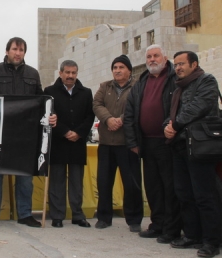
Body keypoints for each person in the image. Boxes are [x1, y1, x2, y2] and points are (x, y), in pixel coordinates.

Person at [0, 37, 56, 229]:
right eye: (14, 49)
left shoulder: (32, 74)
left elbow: (40, 101)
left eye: (21, 50)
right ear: (7, 51)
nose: (18, 53)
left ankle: (25, 214)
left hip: (25, 134)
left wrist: (50, 115)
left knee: (25, 177)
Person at [164, 51, 222, 258]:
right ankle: (192, 235)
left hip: (200, 146)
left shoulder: (206, 81)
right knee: (184, 194)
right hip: (180, 145)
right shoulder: (178, 87)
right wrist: (166, 127)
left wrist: (175, 125)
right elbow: (170, 114)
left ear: (194, 64)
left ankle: (211, 241)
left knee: (204, 195)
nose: (178, 68)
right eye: (176, 64)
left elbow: (198, 107)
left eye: (182, 64)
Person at [124, 45, 181, 243]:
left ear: (165, 58)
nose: (152, 59)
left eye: (156, 55)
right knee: (153, 187)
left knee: (169, 187)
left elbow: (180, 108)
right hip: (146, 144)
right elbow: (129, 114)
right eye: (149, 56)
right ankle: (157, 224)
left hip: (168, 143)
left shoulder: (174, 80)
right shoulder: (141, 83)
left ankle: (171, 229)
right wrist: (133, 142)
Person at [92, 54, 143, 232]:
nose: (118, 70)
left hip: (127, 143)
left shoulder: (137, 87)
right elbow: (97, 104)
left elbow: (138, 106)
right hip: (106, 143)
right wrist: (108, 119)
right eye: (115, 67)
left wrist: (121, 119)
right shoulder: (104, 86)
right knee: (104, 182)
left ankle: (134, 219)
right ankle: (104, 218)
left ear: (129, 70)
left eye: (121, 67)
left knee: (131, 183)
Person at [44, 60, 94, 228]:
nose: (70, 76)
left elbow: (90, 116)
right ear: (60, 73)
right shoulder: (50, 92)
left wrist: (78, 133)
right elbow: (49, 115)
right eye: (67, 72)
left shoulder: (86, 93)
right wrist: (65, 131)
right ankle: (57, 215)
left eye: (73, 73)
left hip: (77, 143)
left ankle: (77, 215)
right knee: (57, 181)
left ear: (77, 74)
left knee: (76, 182)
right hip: (58, 142)